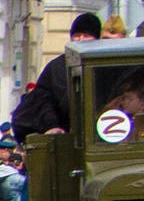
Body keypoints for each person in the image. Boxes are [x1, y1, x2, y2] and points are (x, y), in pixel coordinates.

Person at [12, 11, 103, 139]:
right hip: (66, 136)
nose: (81, 39)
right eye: (77, 35)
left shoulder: (104, 65)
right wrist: (51, 125)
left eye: (87, 35)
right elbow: (42, 99)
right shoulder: (56, 67)